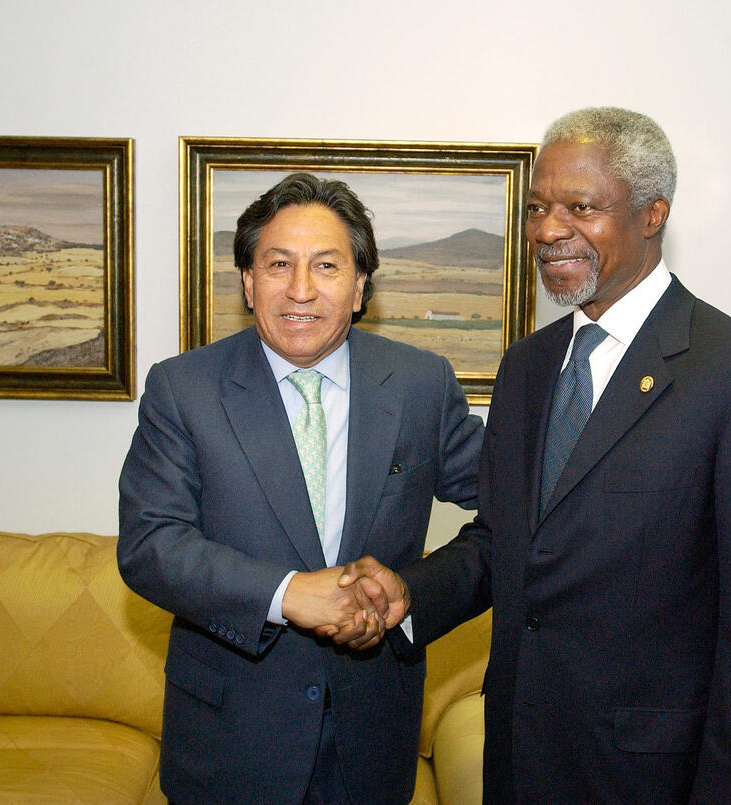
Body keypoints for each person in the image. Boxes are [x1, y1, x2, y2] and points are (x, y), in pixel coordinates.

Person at [345, 107, 731, 803]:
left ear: (652, 214)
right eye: (538, 207)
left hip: (649, 776)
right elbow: (504, 543)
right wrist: (411, 593)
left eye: (580, 207)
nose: (546, 229)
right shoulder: (527, 367)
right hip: (518, 757)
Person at [117, 172, 483, 804]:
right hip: (230, 745)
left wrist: (412, 593)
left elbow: (516, 513)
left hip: (373, 740)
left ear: (360, 286)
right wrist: (287, 595)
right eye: (279, 264)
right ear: (248, 281)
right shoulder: (183, 389)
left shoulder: (421, 385)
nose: (301, 289)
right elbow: (150, 545)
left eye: (327, 266)